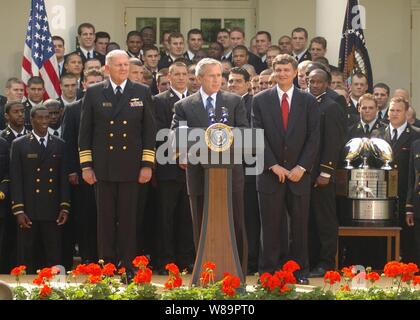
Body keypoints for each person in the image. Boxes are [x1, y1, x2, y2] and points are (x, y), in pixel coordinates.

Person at [78, 50, 156, 276]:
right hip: (103, 168)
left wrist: (147, 165)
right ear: (107, 68)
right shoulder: (93, 93)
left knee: (129, 220)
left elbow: (149, 132)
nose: (124, 68)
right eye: (118, 65)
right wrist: (86, 166)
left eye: (125, 65)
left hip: (132, 168)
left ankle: (130, 267)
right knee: (105, 221)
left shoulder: (140, 91)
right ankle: (107, 266)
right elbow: (85, 134)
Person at [171, 58, 249, 274]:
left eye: (219, 75)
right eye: (211, 76)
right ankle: (205, 271)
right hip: (199, 175)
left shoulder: (234, 101)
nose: (217, 80)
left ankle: (238, 273)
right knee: (201, 225)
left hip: (230, 175)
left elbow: (245, 132)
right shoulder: (184, 105)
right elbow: (177, 136)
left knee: (236, 223)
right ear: (198, 78)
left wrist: (224, 136)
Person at [252, 54, 320, 284]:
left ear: (294, 73)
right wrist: (273, 165)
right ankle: (268, 272)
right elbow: (256, 137)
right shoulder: (259, 100)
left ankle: (299, 272)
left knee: (299, 228)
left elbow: (314, 137)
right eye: (278, 70)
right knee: (269, 227)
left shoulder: (308, 101)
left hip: (299, 175)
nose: (282, 73)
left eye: (286, 70)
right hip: (270, 175)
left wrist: (302, 166)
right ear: (273, 72)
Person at [10, 106, 70, 273]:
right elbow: (16, 179)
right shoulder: (19, 144)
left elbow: (63, 179)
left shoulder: (59, 144)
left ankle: (55, 291)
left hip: (52, 209)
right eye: (40, 118)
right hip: (29, 209)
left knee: (53, 255)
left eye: (47, 118)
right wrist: (18, 210)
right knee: (26, 255)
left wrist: (65, 206)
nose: (45, 121)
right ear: (32, 119)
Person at [154, 62, 194, 273]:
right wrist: (179, 153)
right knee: (165, 217)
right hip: (168, 167)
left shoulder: (196, 99)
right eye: (176, 74)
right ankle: (165, 260)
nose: (180, 77)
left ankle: (186, 259)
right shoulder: (159, 101)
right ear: (168, 77)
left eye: (184, 73)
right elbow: (159, 132)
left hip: (192, 167)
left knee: (187, 218)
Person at [306, 69, 346, 277]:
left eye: (318, 82)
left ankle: (326, 262)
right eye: (310, 81)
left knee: (325, 219)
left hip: (322, 175)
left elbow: (333, 142)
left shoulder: (331, 106)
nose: (314, 85)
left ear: (327, 84)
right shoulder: (305, 102)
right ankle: (311, 261)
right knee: (308, 220)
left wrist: (326, 171)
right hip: (304, 174)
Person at [62, 70, 103, 265]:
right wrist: (72, 169)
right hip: (82, 173)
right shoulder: (72, 109)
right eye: (91, 82)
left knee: (105, 218)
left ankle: (105, 259)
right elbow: (68, 142)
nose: (94, 85)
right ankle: (88, 260)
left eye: (98, 82)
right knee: (85, 217)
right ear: (84, 84)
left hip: (106, 172)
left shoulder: (108, 105)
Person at [372, 97, 420, 263]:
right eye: (392, 110)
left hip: (405, 193)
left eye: (398, 110)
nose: (394, 114)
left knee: (408, 239)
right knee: (382, 238)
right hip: (383, 195)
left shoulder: (415, 135)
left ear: (407, 113)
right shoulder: (378, 134)